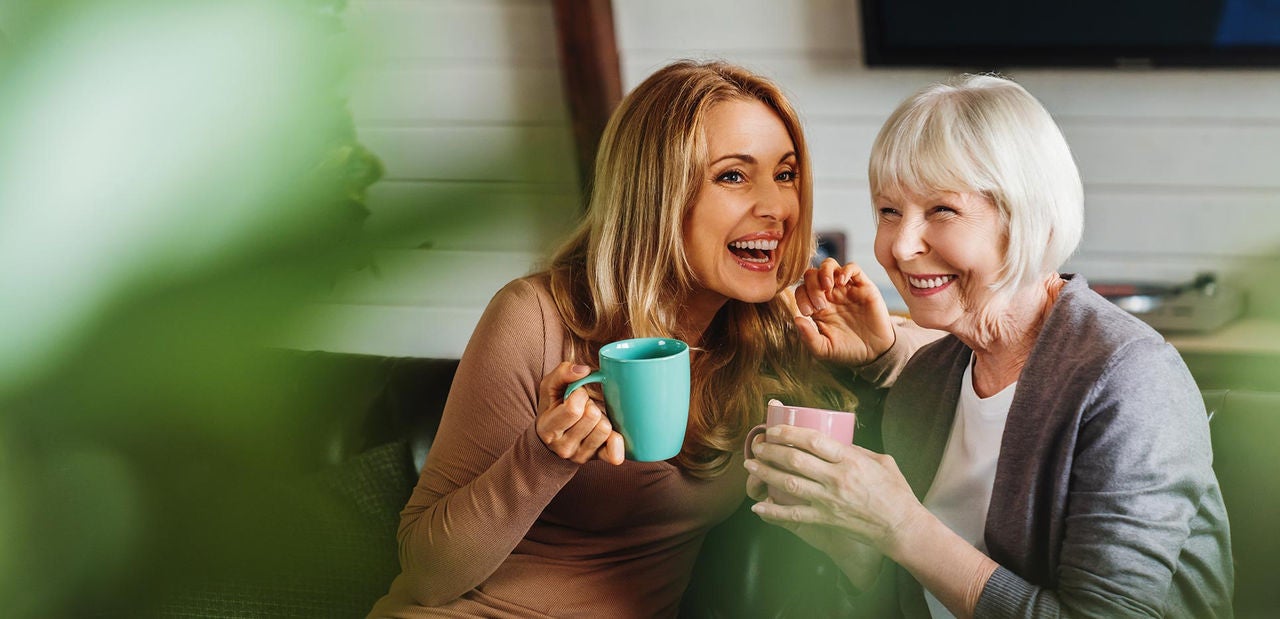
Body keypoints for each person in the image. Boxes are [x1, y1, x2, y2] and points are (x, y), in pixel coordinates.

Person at [366, 60, 918, 618]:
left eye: (785, 174)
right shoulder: (537, 316)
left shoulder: (776, 335)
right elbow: (427, 575)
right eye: (733, 175)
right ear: (657, 194)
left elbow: (972, 376)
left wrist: (881, 354)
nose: (777, 208)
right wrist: (542, 458)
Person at [745, 74, 1234, 618]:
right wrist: (853, 542)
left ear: (1028, 217)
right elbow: (907, 598)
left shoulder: (1130, 379)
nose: (901, 247)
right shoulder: (928, 379)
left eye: (942, 211)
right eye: (888, 211)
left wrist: (903, 527)